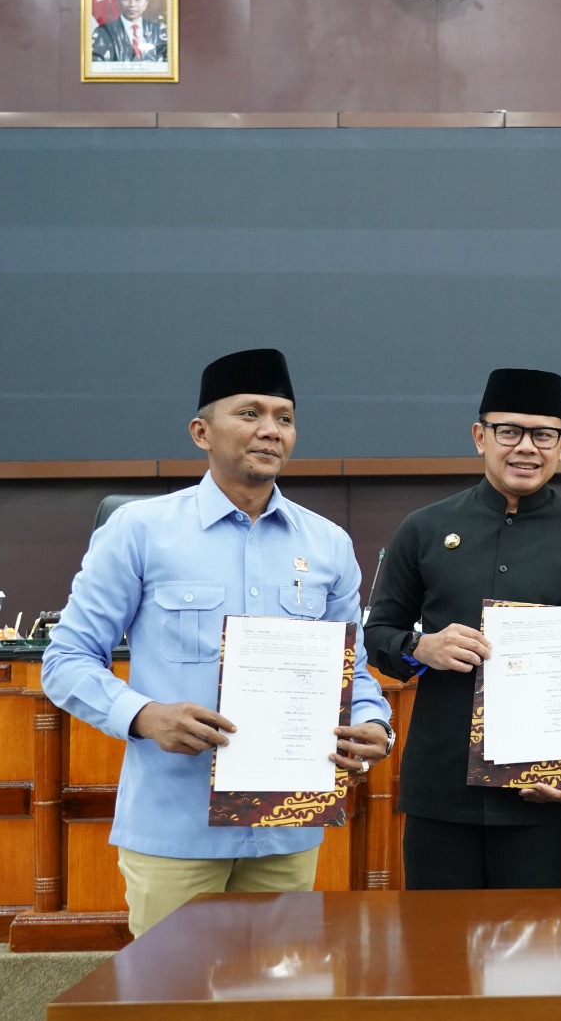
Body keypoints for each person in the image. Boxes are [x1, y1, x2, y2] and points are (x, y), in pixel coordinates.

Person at [43, 348, 393, 937]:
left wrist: (372, 721)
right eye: (250, 413)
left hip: (287, 821)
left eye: (284, 418)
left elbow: (350, 668)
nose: (270, 431)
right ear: (201, 431)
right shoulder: (140, 531)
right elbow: (66, 659)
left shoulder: (329, 544)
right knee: (172, 995)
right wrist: (144, 715)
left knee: (277, 994)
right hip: (176, 823)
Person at [363, 368, 561, 890]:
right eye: (509, 432)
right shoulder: (425, 527)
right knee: (436, 954)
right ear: (479, 436)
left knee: (536, 961)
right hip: (441, 787)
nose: (526, 448)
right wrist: (421, 648)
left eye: (542, 435)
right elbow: (378, 634)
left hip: (539, 791)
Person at [90, 0, 168, 64]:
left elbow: (166, 63)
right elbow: (97, 65)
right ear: (118, 2)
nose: (132, 4)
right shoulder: (105, 32)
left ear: (145, 3)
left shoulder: (157, 31)